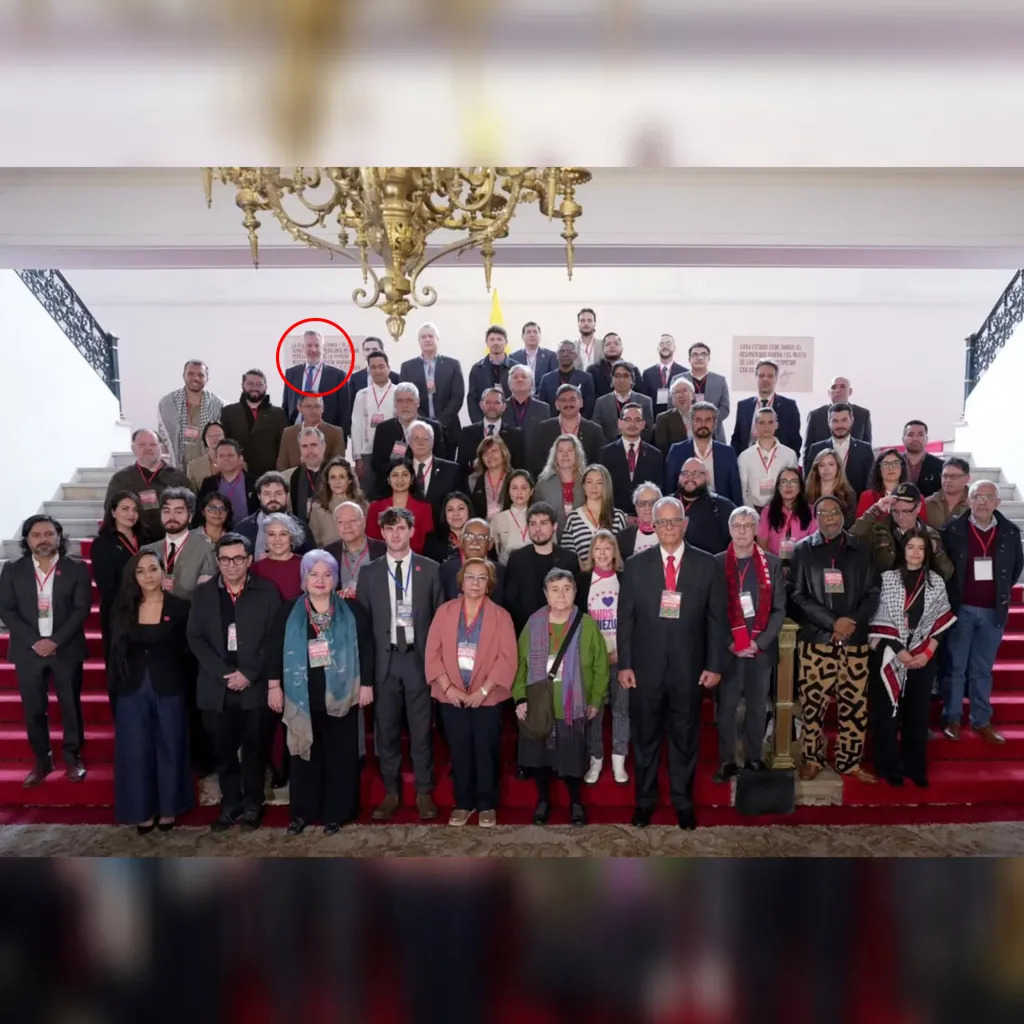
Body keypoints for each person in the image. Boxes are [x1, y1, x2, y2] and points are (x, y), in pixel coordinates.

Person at [617, 496, 729, 829]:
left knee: (685, 740)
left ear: (684, 524)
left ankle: (683, 803)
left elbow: (716, 620)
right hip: (645, 671)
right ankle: (644, 802)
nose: (668, 527)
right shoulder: (636, 565)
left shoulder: (708, 565)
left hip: (689, 670)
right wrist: (625, 664)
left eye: (673, 521)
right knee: (646, 740)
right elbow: (626, 620)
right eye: (661, 521)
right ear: (653, 524)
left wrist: (714, 665)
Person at [267, 549, 375, 834]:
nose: (320, 580)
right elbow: (274, 650)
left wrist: (367, 685)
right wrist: (273, 686)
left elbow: (367, 647)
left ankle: (337, 813)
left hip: (342, 695)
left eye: (327, 575)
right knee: (304, 756)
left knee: (340, 756)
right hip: (301, 696)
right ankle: (303, 812)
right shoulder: (289, 611)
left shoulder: (352, 609)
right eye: (313, 574)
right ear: (303, 578)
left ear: (335, 579)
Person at [187, 533, 282, 831]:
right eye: (225, 559)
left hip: (254, 687)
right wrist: (223, 674)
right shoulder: (203, 594)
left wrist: (250, 674)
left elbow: (274, 639)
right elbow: (195, 638)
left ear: (249, 560)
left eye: (238, 558)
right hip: (216, 688)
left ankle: (253, 804)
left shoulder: (267, 592)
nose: (231, 564)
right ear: (217, 561)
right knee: (224, 751)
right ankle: (231, 804)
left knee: (255, 750)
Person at [356, 506, 444, 821]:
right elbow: (364, 627)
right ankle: (391, 792)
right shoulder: (368, 573)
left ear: (411, 531)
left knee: (421, 731)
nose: (395, 534)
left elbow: (439, 621)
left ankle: (423, 792)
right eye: (390, 528)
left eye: (401, 528)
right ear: (382, 533)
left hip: (418, 661)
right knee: (386, 732)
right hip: (385, 662)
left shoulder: (431, 569)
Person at [789, 495, 881, 783]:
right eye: (823, 512)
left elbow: (873, 592)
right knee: (813, 705)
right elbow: (798, 596)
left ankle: (848, 762)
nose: (829, 517)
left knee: (854, 705)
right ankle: (812, 759)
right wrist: (832, 623)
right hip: (817, 640)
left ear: (844, 515)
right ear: (816, 518)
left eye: (834, 512)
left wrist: (850, 622)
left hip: (854, 642)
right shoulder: (803, 550)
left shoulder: (862, 549)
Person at [513, 568, 609, 826]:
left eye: (567, 588)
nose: (561, 594)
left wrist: (595, 700)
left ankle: (576, 802)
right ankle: (543, 801)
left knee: (571, 760)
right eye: (554, 589)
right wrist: (520, 697)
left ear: (575, 592)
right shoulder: (533, 623)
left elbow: (601, 666)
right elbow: (519, 664)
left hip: (572, 708)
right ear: (545, 593)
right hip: (538, 705)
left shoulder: (586, 624)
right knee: (540, 760)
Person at [425, 557, 517, 827]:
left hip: (488, 698)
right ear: (461, 581)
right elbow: (433, 653)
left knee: (487, 750)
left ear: (489, 584)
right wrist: (449, 688)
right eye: (470, 577)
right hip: (450, 695)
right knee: (460, 750)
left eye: (481, 578)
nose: (475, 583)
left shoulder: (501, 616)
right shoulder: (444, 611)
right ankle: (463, 802)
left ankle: (487, 803)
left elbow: (507, 658)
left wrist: (484, 692)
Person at [0, 515, 91, 785]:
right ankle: (42, 760)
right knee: (33, 708)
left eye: (50, 534)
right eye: (37, 535)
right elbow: (5, 609)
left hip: (66, 648)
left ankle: (73, 757)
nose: (44, 539)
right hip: (28, 651)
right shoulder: (12, 570)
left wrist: (55, 641)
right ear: (27, 540)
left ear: (59, 538)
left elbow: (81, 609)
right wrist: (34, 640)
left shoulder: (76, 569)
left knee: (70, 705)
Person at [108, 550, 193, 832]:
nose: (148, 575)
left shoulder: (180, 607)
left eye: (153, 569)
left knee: (170, 746)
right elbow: (114, 652)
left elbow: (187, 652)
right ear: (134, 576)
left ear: (163, 572)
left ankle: (169, 808)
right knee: (135, 752)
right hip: (131, 688)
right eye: (141, 571)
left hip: (169, 685)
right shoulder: (122, 607)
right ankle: (140, 810)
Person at [867, 526, 955, 787]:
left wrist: (927, 653)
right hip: (890, 653)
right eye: (910, 547)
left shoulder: (936, 581)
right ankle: (888, 767)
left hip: (923, 655)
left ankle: (915, 767)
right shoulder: (888, 579)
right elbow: (879, 618)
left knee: (917, 715)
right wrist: (900, 651)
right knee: (888, 713)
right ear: (902, 550)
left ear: (926, 551)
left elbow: (942, 622)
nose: (915, 553)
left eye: (920, 548)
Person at [941, 480, 1024, 743]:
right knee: (955, 666)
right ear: (968, 500)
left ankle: (981, 720)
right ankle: (952, 718)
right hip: (961, 608)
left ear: (998, 502)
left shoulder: (1010, 532)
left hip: (992, 612)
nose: (982, 501)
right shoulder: (952, 530)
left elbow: (1015, 569)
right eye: (977, 496)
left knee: (982, 668)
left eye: (989, 497)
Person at [713, 507, 787, 781]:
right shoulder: (716, 562)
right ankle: (727, 760)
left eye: (748, 525)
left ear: (756, 530)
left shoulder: (773, 563)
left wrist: (760, 642)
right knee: (727, 707)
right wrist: (729, 642)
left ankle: (754, 758)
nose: (742, 530)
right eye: (737, 525)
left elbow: (779, 609)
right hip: (729, 650)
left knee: (758, 706)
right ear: (730, 529)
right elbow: (712, 611)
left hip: (760, 649)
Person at [575, 530, 629, 786]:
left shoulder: (625, 578)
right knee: (593, 711)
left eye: (608, 548)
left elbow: (633, 619)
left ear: (615, 551)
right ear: (591, 552)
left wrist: (622, 650)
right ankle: (595, 759)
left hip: (621, 656)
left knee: (621, 710)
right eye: (598, 548)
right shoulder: (583, 580)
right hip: (592, 660)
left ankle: (619, 759)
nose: (603, 553)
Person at [90, 490, 143, 682]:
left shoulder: (146, 538)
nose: (131, 514)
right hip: (118, 612)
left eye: (135, 509)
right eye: (125, 509)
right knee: (120, 668)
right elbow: (107, 585)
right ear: (113, 512)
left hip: (149, 610)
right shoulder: (102, 543)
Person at [850, 481, 954, 579]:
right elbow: (850, 539)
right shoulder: (879, 530)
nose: (900, 516)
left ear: (918, 508)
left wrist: (937, 552)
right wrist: (874, 511)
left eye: (906, 511)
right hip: (883, 591)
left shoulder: (930, 534)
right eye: (895, 511)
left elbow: (947, 573)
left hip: (917, 592)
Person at [504, 502, 580, 634]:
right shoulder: (517, 559)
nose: (537, 529)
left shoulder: (569, 559)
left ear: (555, 526)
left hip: (562, 632)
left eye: (543, 523)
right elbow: (511, 600)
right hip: (526, 631)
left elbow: (574, 600)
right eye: (533, 524)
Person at [105, 428, 192, 543]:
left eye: (153, 444)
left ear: (160, 447)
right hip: (133, 544)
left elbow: (191, 510)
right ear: (133, 449)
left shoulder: (178, 478)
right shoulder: (120, 479)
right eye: (142, 445)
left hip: (172, 541)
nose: (148, 448)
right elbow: (110, 510)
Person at [399, 322, 466, 460]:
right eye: (423, 337)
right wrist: (424, 422)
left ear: (437, 339)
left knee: (446, 470)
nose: (427, 339)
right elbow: (405, 398)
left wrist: (440, 423)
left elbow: (457, 396)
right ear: (419, 341)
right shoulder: (407, 367)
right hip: (417, 429)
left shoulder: (452, 365)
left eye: (431, 336)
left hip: (447, 429)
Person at [141, 488, 217, 600]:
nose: (172, 517)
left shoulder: (207, 550)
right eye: (167, 511)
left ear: (190, 516)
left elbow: (205, 597)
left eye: (178, 512)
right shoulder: (146, 550)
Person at [664, 401, 742, 506]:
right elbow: (669, 487)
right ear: (691, 422)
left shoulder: (727, 452)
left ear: (715, 423)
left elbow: (735, 489)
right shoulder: (677, 450)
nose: (703, 424)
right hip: (687, 509)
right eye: (698, 420)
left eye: (708, 420)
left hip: (719, 510)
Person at [220, 368, 289, 479]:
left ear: (265, 387)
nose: (254, 388)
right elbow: (225, 444)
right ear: (242, 385)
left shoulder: (279, 414)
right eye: (250, 384)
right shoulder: (228, 412)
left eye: (259, 384)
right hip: (237, 473)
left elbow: (283, 446)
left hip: (269, 475)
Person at [157, 358, 225, 468]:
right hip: (177, 468)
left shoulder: (218, 405)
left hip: (208, 469)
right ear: (184, 376)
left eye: (201, 375)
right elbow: (164, 436)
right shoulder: (168, 404)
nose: (195, 378)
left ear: (207, 378)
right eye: (191, 374)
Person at [280, 328, 350, 430]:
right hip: (296, 431)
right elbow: (286, 407)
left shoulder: (338, 376)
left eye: (317, 346)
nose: (313, 350)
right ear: (303, 348)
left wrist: (340, 438)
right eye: (309, 345)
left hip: (325, 433)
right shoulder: (291, 374)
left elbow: (344, 411)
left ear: (323, 348)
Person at [528, 382, 604, 476]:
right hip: (551, 484)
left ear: (581, 402)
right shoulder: (543, 429)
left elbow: (599, 465)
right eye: (563, 400)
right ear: (556, 405)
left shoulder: (595, 431)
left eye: (572, 399)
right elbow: (535, 463)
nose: (568, 403)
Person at [730, 358, 802, 456]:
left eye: (770, 376)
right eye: (761, 375)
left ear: (776, 379)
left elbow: (795, 441)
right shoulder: (743, 406)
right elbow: (737, 439)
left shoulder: (789, 406)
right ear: (755, 378)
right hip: (748, 461)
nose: (765, 379)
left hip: (778, 462)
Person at [234, 471, 313, 558]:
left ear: (287, 495)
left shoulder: (301, 528)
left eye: (278, 493)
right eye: (267, 494)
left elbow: (310, 562)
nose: (273, 498)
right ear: (259, 496)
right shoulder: (243, 528)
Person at [802, 402, 874, 495]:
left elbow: (869, 485)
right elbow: (810, 482)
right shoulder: (816, 449)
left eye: (844, 420)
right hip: (823, 504)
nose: (840, 425)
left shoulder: (865, 449)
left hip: (857, 504)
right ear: (828, 422)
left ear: (852, 420)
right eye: (835, 421)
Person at [365, 460, 434, 555]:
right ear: (388, 479)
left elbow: (428, 544)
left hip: (416, 561)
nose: (400, 479)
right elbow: (371, 541)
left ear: (412, 479)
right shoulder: (375, 507)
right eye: (395, 475)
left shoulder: (425, 508)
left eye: (405, 475)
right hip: (382, 561)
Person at [352, 351, 399, 492]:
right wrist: (357, 457)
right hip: (367, 452)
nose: (377, 370)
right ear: (368, 370)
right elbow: (356, 426)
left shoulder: (398, 392)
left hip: (393, 452)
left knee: (392, 491)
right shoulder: (362, 395)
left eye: (381, 366)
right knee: (368, 493)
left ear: (388, 367)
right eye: (373, 367)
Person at [561, 464, 629, 560]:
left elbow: (623, 554)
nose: (594, 487)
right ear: (583, 486)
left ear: (606, 486)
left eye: (599, 483)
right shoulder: (573, 518)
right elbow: (567, 557)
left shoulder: (618, 516)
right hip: (582, 574)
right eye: (589, 482)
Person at [737, 407, 799, 510]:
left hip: (783, 508)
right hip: (755, 508)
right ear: (755, 426)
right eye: (761, 423)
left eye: (770, 422)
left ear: (776, 425)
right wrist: (751, 512)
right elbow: (743, 490)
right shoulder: (745, 456)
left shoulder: (789, 454)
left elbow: (794, 485)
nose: (766, 426)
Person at [406, 419, 464, 526]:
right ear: (409, 442)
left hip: (442, 532)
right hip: (410, 531)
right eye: (416, 438)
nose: (421, 442)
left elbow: (462, 503)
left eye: (425, 438)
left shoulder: (451, 470)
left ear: (432, 442)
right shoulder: (401, 470)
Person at [674, 458, 735, 556]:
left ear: (707, 477)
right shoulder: (666, 505)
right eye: (685, 473)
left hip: (711, 567)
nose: (690, 478)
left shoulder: (723, 507)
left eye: (696, 474)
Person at [457, 386, 525, 474]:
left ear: (504, 406)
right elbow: (461, 468)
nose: (492, 406)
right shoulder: (467, 433)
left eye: (497, 403)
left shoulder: (516, 435)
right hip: (474, 485)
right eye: (488, 402)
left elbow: (519, 469)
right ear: (481, 405)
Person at [325, 501, 387, 598]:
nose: (346, 526)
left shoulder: (383, 550)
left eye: (352, 521)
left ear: (363, 522)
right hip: (341, 610)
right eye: (341, 522)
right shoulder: (327, 554)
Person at [756, 468, 816, 567]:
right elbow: (762, 545)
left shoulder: (811, 512)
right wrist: (775, 566)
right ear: (778, 487)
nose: (789, 485)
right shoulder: (767, 512)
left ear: (800, 487)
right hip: (774, 565)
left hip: (802, 566)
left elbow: (813, 545)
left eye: (794, 482)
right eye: (784, 481)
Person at [439, 518, 506, 603]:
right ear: (461, 541)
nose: (474, 542)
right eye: (469, 537)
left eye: (481, 537)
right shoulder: (445, 570)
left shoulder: (501, 572)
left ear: (490, 544)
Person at [343, 335, 398, 438]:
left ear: (382, 351)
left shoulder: (395, 377)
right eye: (367, 349)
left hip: (390, 429)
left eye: (374, 349)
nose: (370, 352)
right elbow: (350, 405)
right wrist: (350, 430)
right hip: (365, 431)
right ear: (363, 352)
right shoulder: (355, 378)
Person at [803, 376, 873, 457]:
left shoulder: (862, 414)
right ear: (829, 393)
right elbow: (807, 450)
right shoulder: (815, 415)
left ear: (850, 391)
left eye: (842, 387)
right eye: (834, 387)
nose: (838, 390)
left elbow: (867, 447)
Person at [533, 433, 587, 534]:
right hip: (552, 539)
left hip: (582, 537)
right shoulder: (543, 483)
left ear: (577, 454)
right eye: (560, 451)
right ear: (555, 455)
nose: (565, 455)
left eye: (570, 450)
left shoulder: (587, 480)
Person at [308, 456, 366, 548]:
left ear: (350, 480)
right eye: (333, 477)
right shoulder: (317, 508)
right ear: (327, 481)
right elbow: (315, 541)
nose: (337, 481)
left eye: (342, 477)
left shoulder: (363, 506)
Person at [276, 395, 346, 471]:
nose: (313, 410)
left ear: (322, 408)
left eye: (317, 406)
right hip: (292, 479)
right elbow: (281, 465)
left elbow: (339, 465)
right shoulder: (288, 433)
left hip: (323, 480)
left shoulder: (335, 432)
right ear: (299, 408)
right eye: (308, 406)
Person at [593, 360, 655, 443]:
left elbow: (648, 430)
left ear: (632, 380)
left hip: (637, 448)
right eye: (617, 376)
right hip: (608, 449)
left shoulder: (645, 401)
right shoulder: (601, 402)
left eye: (626, 376)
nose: (621, 380)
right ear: (612, 379)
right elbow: (597, 430)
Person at [855, 450, 926, 518]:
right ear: (879, 469)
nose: (891, 468)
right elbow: (859, 527)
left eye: (895, 463)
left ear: (902, 467)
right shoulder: (867, 497)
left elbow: (923, 528)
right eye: (885, 464)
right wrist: (876, 510)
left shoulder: (917, 498)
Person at [197, 439, 258, 519]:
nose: (226, 458)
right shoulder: (208, 484)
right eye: (221, 456)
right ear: (216, 460)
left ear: (240, 458)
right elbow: (199, 513)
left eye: (230, 455)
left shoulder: (255, 483)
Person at [682, 342, 730, 442]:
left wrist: (709, 422)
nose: (699, 358)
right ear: (689, 360)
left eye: (703, 354)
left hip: (714, 434)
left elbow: (725, 408)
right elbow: (672, 407)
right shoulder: (679, 380)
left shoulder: (720, 380)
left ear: (709, 359)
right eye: (695, 355)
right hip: (685, 433)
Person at [251, 513, 306, 600]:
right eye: (272, 534)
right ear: (265, 538)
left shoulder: (305, 564)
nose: (277, 539)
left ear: (291, 537)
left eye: (283, 534)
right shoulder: (254, 569)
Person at [537, 340, 597, 418]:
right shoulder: (546, 379)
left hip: (579, 424)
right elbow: (542, 406)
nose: (565, 354)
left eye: (568, 351)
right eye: (561, 351)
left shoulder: (586, 378)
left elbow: (589, 406)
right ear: (557, 355)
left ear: (575, 356)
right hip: (552, 425)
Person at [489, 469, 535, 565]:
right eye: (514, 488)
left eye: (523, 488)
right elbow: (493, 551)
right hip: (507, 569)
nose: (519, 492)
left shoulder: (540, 517)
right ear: (508, 491)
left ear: (531, 491)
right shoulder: (497, 519)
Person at [285, 426, 329, 525]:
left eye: (314, 445)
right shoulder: (294, 476)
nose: (309, 451)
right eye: (304, 446)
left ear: (324, 446)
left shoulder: (333, 473)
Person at [467, 324, 513, 415]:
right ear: (487, 343)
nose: (496, 343)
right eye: (492, 339)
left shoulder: (516, 368)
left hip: (512, 422)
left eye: (499, 339)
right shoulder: (477, 369)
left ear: (506, 342)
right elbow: (472, 400)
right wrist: (479, 424)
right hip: (485, 422)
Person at [805, 447, 857, 527]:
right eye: (822, 465)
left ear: (838, 467)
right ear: (817, 469)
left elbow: (849, 525)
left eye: (831, 464)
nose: (826, 469)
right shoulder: (807, 492)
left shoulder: (848, 494)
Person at [641, 333, 686, 420]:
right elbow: (644, 401)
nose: (665, 346)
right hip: (654, 421)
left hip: (677, 420)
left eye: (668, 344)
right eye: (661, 344)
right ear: (657, 349)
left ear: (674, 348)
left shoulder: (684, 372)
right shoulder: (648, 373)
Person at [467, 435, 512, 520]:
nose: (489, 455)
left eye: (494, 451)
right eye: (485, 453)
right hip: (483, 529)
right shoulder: (474, 480)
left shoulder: (515, 477)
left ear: (503, 453)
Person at [588, 334, 643, 402]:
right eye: (608, 344)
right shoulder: (592, 370)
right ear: (602, 349)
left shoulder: (633, 369)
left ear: (622, 348)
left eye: (616, 344)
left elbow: (640, 395)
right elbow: (590, 396)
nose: (612, 346)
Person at [423, 491, 473, 565]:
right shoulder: (433, 539)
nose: (456, 514)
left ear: (469, 511)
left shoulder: (481, 536)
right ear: (444, 514)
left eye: (461, 508)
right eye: (450, 510)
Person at [616, 483, 663, 557]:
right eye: (641, 503)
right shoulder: (622, 538)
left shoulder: (670, 533)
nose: (647, 507)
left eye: (652, 503)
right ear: (635, 506)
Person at [924, 457, 971, 530]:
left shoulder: (974, 504)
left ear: (967, 479)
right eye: (945, 476)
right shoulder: (927, 503)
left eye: (954, 476)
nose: (948, 480)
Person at [503, 363, 551, 432]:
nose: (519, 380)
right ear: (509, 384)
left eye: (524, 376)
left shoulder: (543, 408)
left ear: (532, 383)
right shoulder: (500, 407)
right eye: (515, 377)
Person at [902, 420, 944, 497]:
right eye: (910, 435)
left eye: (920, 435)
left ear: (927, 439)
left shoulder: (940, 466)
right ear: (903, 439)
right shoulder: (894, 463)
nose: (915, 438)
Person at [653, 376, 694, 454]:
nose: (681, 395)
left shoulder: (703, 414)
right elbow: (662, 448)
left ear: (692, 394)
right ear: (672, 398)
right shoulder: (663, 418)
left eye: (685, 390)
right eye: (677, 392)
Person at [509, 320, 558, 384]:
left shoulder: (551, 356)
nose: (532, 335)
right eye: (528, 332)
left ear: (540, 336)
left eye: (535, 332)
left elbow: (554, 379)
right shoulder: (513, 357)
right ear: (522, 337)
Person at [186, 421, 226, 491]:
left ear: (225, 437)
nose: (214, 438)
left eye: (218, 435)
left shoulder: (239, 464)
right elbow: (191, 497)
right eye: (210, 435)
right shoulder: (193, 466)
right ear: (205, 439)